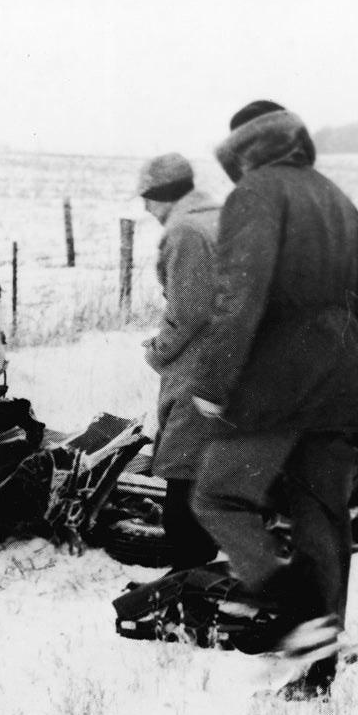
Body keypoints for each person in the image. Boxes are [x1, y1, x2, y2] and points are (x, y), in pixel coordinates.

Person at [190, 101, 358, 659]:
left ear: (243, 148)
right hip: (345, 377)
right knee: (324, 523)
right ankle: (318, 666)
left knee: (218, 495)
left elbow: (239, 295)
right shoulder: (338, 199)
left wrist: (212, 380)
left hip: (279, 382)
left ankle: (293, 606)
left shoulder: (255, 193)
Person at [135, 152, 223, 568]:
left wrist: (158, 350)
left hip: (203, 366)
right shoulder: (219, 217)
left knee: (183, 482)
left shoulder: (185, 231)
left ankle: (191, 587)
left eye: (147, 198)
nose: (146, 209)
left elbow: (189, 312)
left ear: (162, 195)